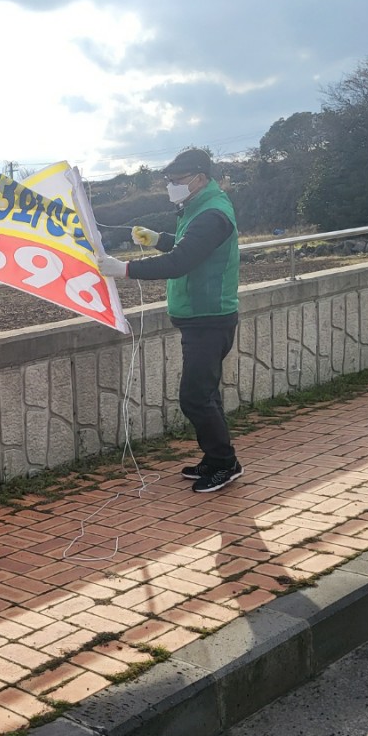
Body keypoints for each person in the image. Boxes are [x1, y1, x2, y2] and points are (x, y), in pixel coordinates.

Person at [98, 148, 243, 492]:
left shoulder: (212, 214)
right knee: (206, 394)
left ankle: (225, 463)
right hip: (200, 319)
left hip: (209, 319)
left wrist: (126, 269)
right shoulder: (199, 208)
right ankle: (215, 458)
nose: (171, 186)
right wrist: (159, 239)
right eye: (170, 181)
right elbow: (186, 247)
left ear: (199, 179)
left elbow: (182, 261)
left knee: (194, 397)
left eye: (177, 180)